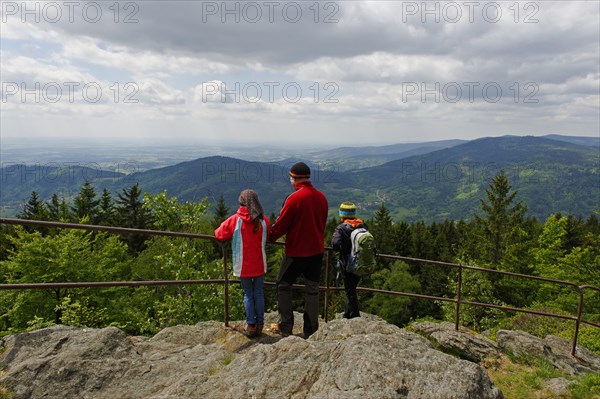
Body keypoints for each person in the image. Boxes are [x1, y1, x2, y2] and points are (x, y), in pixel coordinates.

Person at [269, 162, 328, 338]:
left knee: (284, 285)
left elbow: (281, 225)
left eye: (290, 177)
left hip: (296, 252)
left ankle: (285, 326)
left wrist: (270, 237)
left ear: (294, 178)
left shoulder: (294, 198)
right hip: (316, 251)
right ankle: (311, 330)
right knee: (312, 290)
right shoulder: (321, 197)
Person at [214, 189, 270, 338]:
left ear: (241, 202)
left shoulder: (236, 219)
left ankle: (250, 325)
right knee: (258, 293)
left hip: (243, 264)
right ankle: (260, 325)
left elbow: (219, 234)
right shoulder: (263, 220)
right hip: (259, 263)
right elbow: (269, 235)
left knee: (248, 294)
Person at [331, 202, 367, 319]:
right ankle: (347, 313)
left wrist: (344, 248)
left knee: (349, 290)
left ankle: (354, 315)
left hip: (347, 262)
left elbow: (335, 244)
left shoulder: (341, 228)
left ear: (342, 214)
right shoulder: (362, 225)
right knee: (352, 288)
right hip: (360, 262)